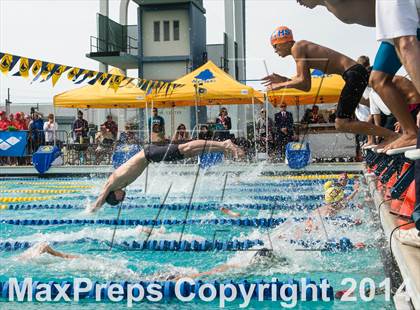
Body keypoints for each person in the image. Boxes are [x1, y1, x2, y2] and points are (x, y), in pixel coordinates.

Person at [297, 0, 420, 151]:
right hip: (391, 24)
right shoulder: (329, 6)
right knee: (377, 80)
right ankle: (410, 133)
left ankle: (408, 132)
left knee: (405, 48)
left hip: (404, 17)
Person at [263, 26, 398, 146]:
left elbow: (303, 82)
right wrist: (284, 80)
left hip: (354, 74)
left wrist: (280, 84)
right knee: (360, 111)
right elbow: (305, 85)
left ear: (284, 42)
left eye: (274, 46)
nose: (275, 51)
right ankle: (391, 133)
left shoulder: (297, 47)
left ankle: (392, 136)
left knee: (341, 123)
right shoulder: (299, 48)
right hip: (353, 74)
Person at [89, 139, 244, 212]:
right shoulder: (118, 184)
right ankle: (223, 147)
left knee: (186, 148)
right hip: (151, 156)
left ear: (113, 195)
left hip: (150, 154)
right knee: (189, 152)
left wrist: (91, 210)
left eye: (119, 199)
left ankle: (224, 144)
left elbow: (100, 197)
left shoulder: (112, 183)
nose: (123, 197)